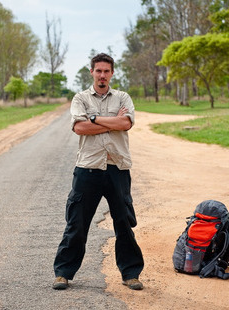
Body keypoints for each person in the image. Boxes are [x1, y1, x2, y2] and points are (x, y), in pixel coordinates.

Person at [52, 53, 144, 290]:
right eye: (98, 71)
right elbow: (80, 128)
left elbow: (126, 124)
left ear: (112, 73)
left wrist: (95, 119)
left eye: (106, 71)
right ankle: (63, 273)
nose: (102, 75)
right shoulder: (80, 98)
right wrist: (110, 120)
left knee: (124, 223)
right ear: (91, 72)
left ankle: (130, 274)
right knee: (76, 224)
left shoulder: (123, 97)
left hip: (117, 168)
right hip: (88, 169)